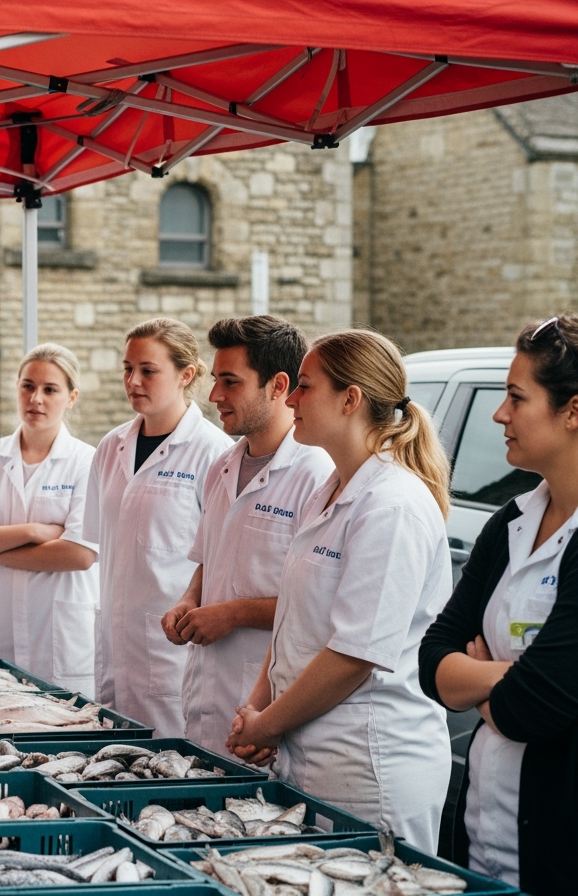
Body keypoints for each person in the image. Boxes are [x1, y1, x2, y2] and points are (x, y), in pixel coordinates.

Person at [226, 329, 452, 853]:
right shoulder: (331, 490)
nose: (292, 399)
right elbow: (295, 625)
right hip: (312, 752)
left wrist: (267, 724)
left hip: (370, 763)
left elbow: (353, 654)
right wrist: (258, 707)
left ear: (351, 399)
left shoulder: (392, 506)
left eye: (305, 386)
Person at [419, 315, 578, 894]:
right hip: (486, 838)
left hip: (558, 853)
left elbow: (533, 708)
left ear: (573, 411)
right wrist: (512, 680)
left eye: (516, 397)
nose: (499, 414)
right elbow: (431, 662)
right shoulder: (511, 520)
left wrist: (485, 681)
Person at [162, 316, 333, 758]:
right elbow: (209, 560)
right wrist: (188, 601)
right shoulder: (221, 467)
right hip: (207, 691)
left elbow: (319, 606)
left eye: (230, 382)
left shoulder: (316, 476)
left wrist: (234, 613)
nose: (214, 395)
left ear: (278, 386)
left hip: (268, 706)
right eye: (216, 379)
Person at [83, 318, 231, 734]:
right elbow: (105, 547)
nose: (133, 381)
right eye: (127, 369)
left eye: (148, 370)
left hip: (173, 653)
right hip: (116, 648)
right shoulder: (111, 448)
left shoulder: (214, 453)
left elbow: (219, 560)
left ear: (186, 375)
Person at [0, 344, 99, 696]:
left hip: (59, 645)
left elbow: (78, 554)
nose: (36, 398)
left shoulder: (88, 462)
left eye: (50, 389)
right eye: (28, 386)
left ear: (71, 398)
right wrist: (34, 532)